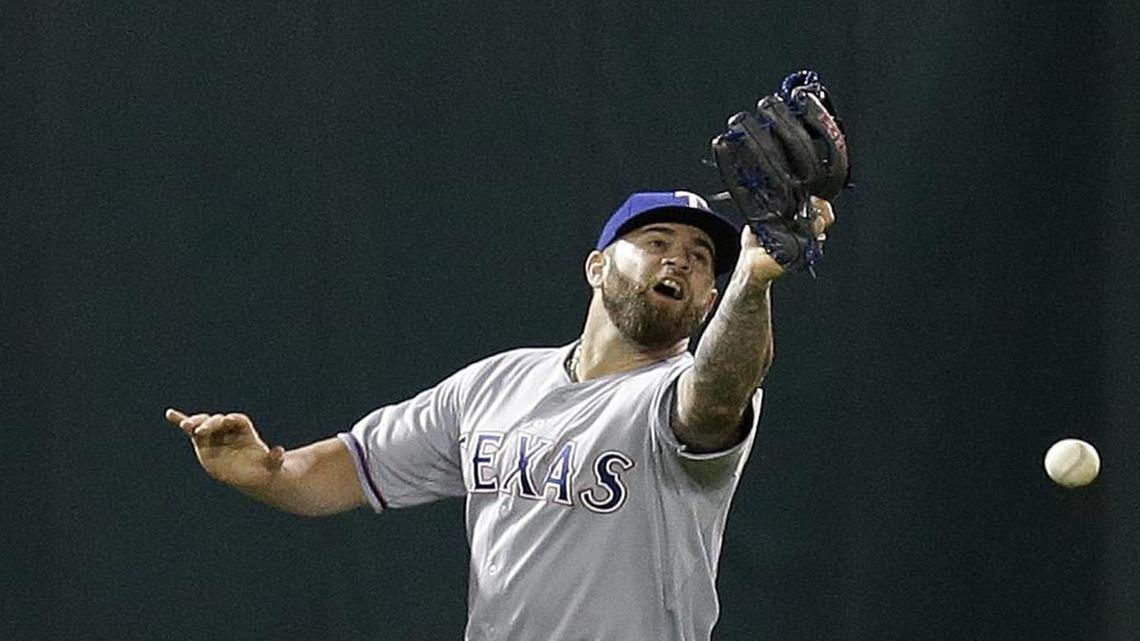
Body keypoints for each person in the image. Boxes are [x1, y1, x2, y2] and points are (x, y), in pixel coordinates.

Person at [166, 189, 835, 641]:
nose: (679, 260)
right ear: (597, 267)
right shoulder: (498, 384)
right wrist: (268, 471)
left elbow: (719, 392)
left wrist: (751, 280)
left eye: (700, 259)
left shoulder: (671, 395)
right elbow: (353, 466)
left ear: (707, 295)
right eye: (657, 240)